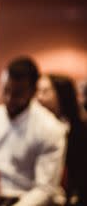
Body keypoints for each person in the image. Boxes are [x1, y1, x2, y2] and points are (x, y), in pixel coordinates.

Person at [0, 57, 66, 206]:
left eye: (17, 93)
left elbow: (45, 189)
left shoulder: (50, 128)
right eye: (6, 90)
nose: (9, 98)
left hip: (27, 200)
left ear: (32, 91)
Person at [36, 74, 87, 205]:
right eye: (37, 91)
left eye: (45, 91)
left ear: (62, 94)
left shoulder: (79, 130)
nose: (39, 97)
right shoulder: (35, 128)